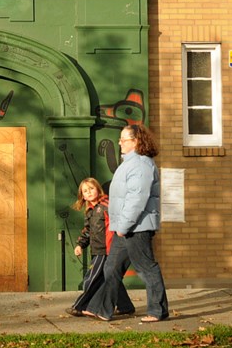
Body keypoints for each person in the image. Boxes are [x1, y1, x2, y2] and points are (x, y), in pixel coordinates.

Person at [85, 123, 170, 323]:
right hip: (124, 227)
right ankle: (102, 308)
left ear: (136, 141)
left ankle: (158, 311)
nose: (120, 143)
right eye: (120, 139)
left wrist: (123, 226)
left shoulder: (141, 165)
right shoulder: (129, 163)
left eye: (124, 139)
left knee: (146, 268)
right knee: (111, 268)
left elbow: (136, 199)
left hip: (136, 227)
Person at [65, 177, 136, 319]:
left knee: (91, 279)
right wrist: (80, 244)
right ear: (82, 195)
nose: (89, 192)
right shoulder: (90, 210)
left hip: (106, 250)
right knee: (110, 278)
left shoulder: (106, 205)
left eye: (91, 188)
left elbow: (119, 221)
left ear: (98, 189)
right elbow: (87, 231)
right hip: (97, 250)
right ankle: (126, 306)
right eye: (85, 191)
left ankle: (80, 306)